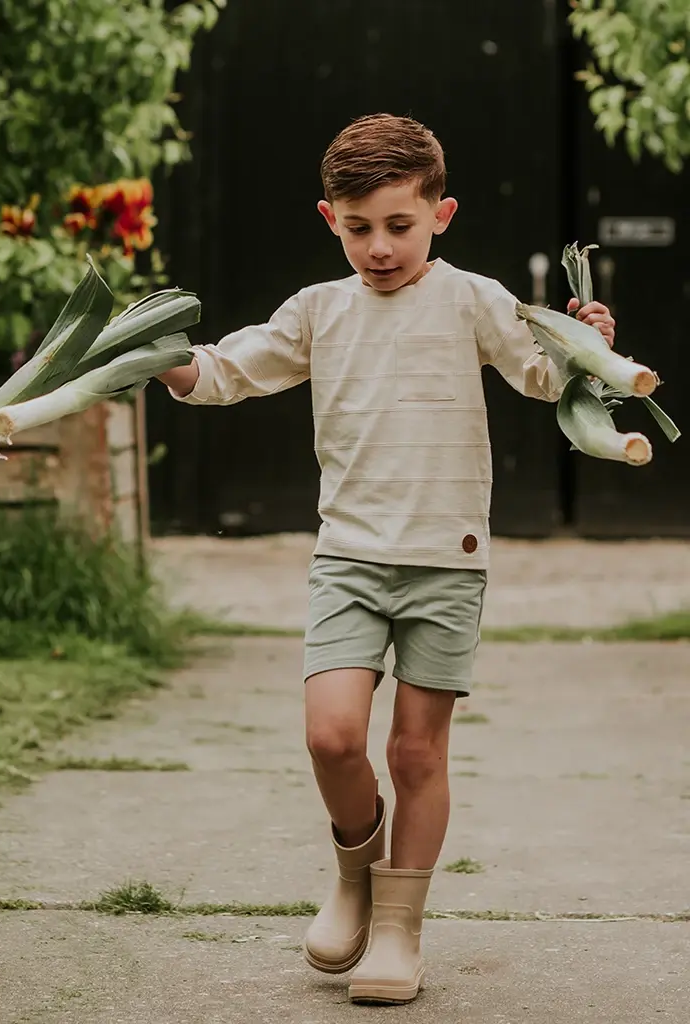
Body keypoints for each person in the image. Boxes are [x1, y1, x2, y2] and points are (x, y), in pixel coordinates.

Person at [156, 113, 616, 1005]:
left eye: (398, 226)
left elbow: (543, 375)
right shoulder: (318, 311)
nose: (378, 247)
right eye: (358, 227)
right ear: (330, 218)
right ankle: (354, 878)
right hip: (350, 558)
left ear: (440, 214)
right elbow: (224, 372)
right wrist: (157, 362)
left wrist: (584, 343)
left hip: (447, 560)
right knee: (331, 736)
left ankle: (400, 928)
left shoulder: (474, 297)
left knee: (414, 753)